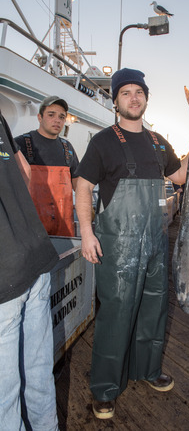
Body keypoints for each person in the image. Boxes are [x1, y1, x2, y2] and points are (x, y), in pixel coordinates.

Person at [75, 68, 189, 420]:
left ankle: (148, 370)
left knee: (153, 310)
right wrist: (87, 233)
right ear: (116, 100)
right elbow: (82, 187)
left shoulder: (157, 142)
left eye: (139, 91)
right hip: (117, 245)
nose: (134, 97)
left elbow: (181, 176)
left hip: (154, 242)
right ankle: (105, 388)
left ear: (146, 99)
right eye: (126, 92)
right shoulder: (103, 141)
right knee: (117, 315)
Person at [0, 111, 59, 430]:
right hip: (34, 256)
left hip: (4, 277)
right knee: (38, 372)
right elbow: (24, 172)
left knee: (3, 400)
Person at [15, 96, 79, 236]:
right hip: (31, 230)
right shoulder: (20, 144)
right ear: (39, 117)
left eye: (62, 117)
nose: (57, 120)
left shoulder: (67, 148)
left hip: (64, 231)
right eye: (51, 115)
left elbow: (78, 186)